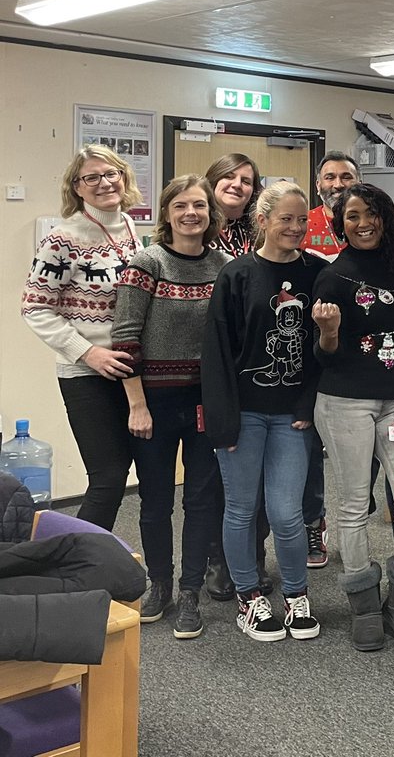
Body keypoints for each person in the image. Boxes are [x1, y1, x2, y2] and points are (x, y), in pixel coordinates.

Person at [312, 183, 394, 651]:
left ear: (386, 217)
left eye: (371, 214)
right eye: (352, 216)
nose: (363, 223)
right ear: (340, 224)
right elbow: (324, 357)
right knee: (353, 506)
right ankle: (364, 603)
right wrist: (328, 332)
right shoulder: (333, 278)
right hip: (346, 403)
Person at [201, 181, 325, 643]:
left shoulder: (317, 274)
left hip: (294, 415)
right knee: (241, 508)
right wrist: (223, 420)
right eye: (285, 219)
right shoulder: (237, 275)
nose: (295, 228)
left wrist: (308, 404)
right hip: (244, 414)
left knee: (287, 512)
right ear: (263, 221)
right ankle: (249, 598)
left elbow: (322, 351)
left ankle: (295, 596)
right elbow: (216, 352)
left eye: (301, 220)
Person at [111, 174, 231, 637]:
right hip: (154, 403)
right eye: (180, 205)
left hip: (204, 401)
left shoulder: (223, 266)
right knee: (156, 499)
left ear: (210, 213)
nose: (190, 214)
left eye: (199, 205)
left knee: (202, 500)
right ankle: (158, 583)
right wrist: (136, 405)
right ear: (167, 213)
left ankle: (190, 593)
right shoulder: (147, 263)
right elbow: (125, 339)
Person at [21, 145, 143, 531]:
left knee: (124, 471)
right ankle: (75, 564)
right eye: (91, 177)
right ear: (77, 187)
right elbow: (34, 307)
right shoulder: (63, 237)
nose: (104, 183)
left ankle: (98, 562)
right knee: (107, 479)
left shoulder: (129, 227)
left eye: (111, 174)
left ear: (123, 176)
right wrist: (87, 353)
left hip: (130, 370)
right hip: (87, 375)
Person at [202, 152, 271, 601]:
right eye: (229, 176)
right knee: (214, 479)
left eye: (247, 180)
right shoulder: (192, 227)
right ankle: (217, 561)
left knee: (258, 478)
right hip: (209, 366)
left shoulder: (257, 232)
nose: (238, 185)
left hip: (257, 368)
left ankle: (252, 558)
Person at [299, 150, 361, 571]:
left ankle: (364, 526)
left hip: (361, 353)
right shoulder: (302, 222)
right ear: (318, 182)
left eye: (346, 176)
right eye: (330, 177)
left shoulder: (369, 218)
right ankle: (312, 524)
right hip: (305, 348)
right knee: (306, 448)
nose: (338, 184)